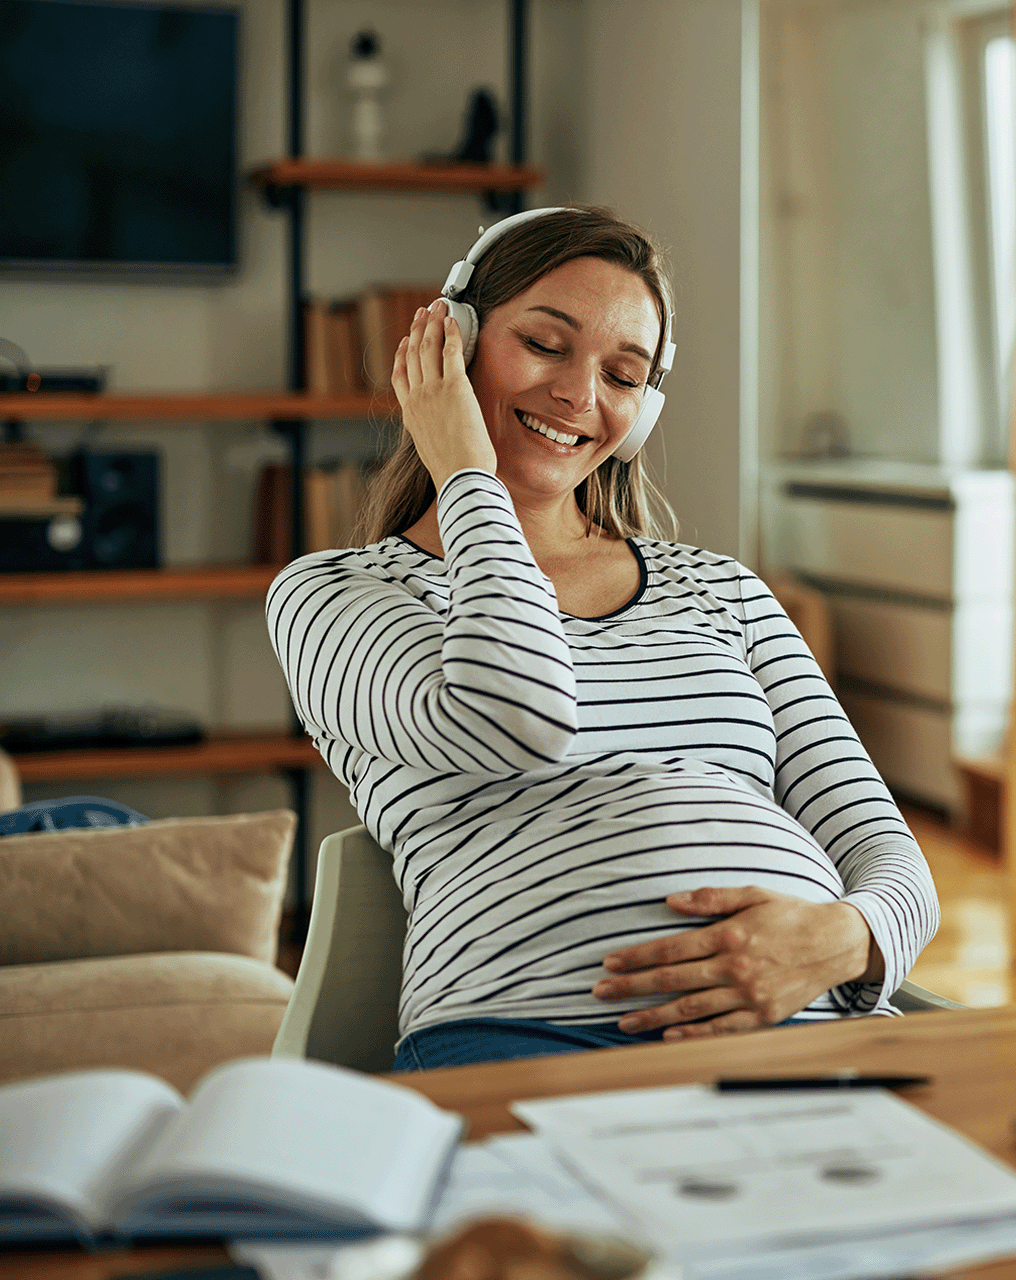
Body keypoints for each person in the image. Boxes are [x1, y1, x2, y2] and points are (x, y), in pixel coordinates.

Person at [266, 206, 938, 1071]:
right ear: (450, 342)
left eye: (623, 374)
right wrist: (467, 475)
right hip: (529, 1042)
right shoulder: (335, 594)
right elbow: (517, 717)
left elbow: (889, 858)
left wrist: (843, 941)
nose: (580, 396)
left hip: (815, 1032)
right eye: (546, 345)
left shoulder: (721, 589)